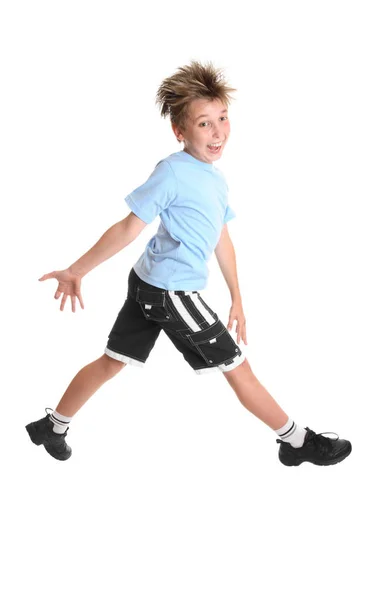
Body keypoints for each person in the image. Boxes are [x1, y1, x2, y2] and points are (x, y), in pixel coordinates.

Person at [25, 59, 352, 467]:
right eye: (204, 124)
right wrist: (76, 271)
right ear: (179, 131)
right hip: (169, 292)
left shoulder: (214, 176)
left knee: (112, 361)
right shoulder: (172, 173)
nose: (218, 132)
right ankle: (297, 441)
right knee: (237, 367)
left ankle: (52, 426)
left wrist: (237, 297)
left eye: (222, 118)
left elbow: (221, 237)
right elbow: (129, 227)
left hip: (151, 283)